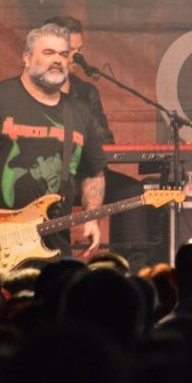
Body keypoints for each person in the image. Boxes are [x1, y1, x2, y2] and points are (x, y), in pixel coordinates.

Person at [0, 23, 106, 259]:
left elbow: (93, 172)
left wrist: (92, 218)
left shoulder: (79, 112)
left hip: (54, 244)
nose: (57, 60)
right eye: (48, 52)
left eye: (63, 54)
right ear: (27, 58)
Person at [41, 16, 150, 257]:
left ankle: (132, 269)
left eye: (80, 50)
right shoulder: (32, 92)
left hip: (86, 176)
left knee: (131, 190)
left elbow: (104, 140)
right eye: (71, 50)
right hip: (47, 178)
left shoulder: (86, 92)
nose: (77, 57)